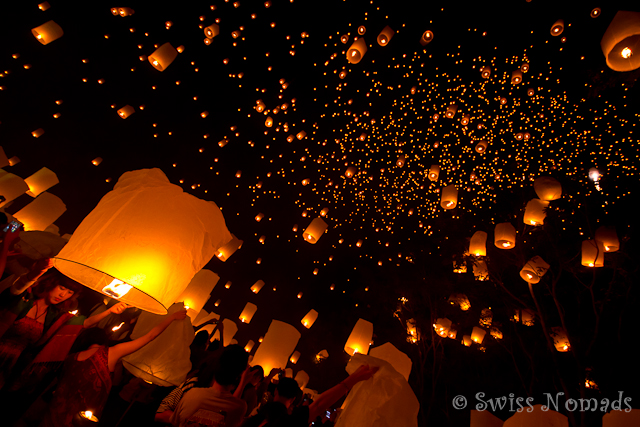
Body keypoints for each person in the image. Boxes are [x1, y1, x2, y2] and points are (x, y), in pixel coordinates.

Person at [39, 307, 187, 427]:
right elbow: (150, 337)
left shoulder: (71, 357)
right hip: (79, 421)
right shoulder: (110, 353)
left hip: (53, 413)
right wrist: (171, 318)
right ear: (103, 339)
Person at [243, 364, 378, 427]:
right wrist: (353, 379)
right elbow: (319, 405)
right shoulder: (290, 422)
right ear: (294, 398)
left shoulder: (255, 417)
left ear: (276, 391)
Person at [170, 344, 250, 427]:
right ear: (240, 374)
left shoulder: (191, 394)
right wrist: (243, 382)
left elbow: (174, 422)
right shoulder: (239, 408)